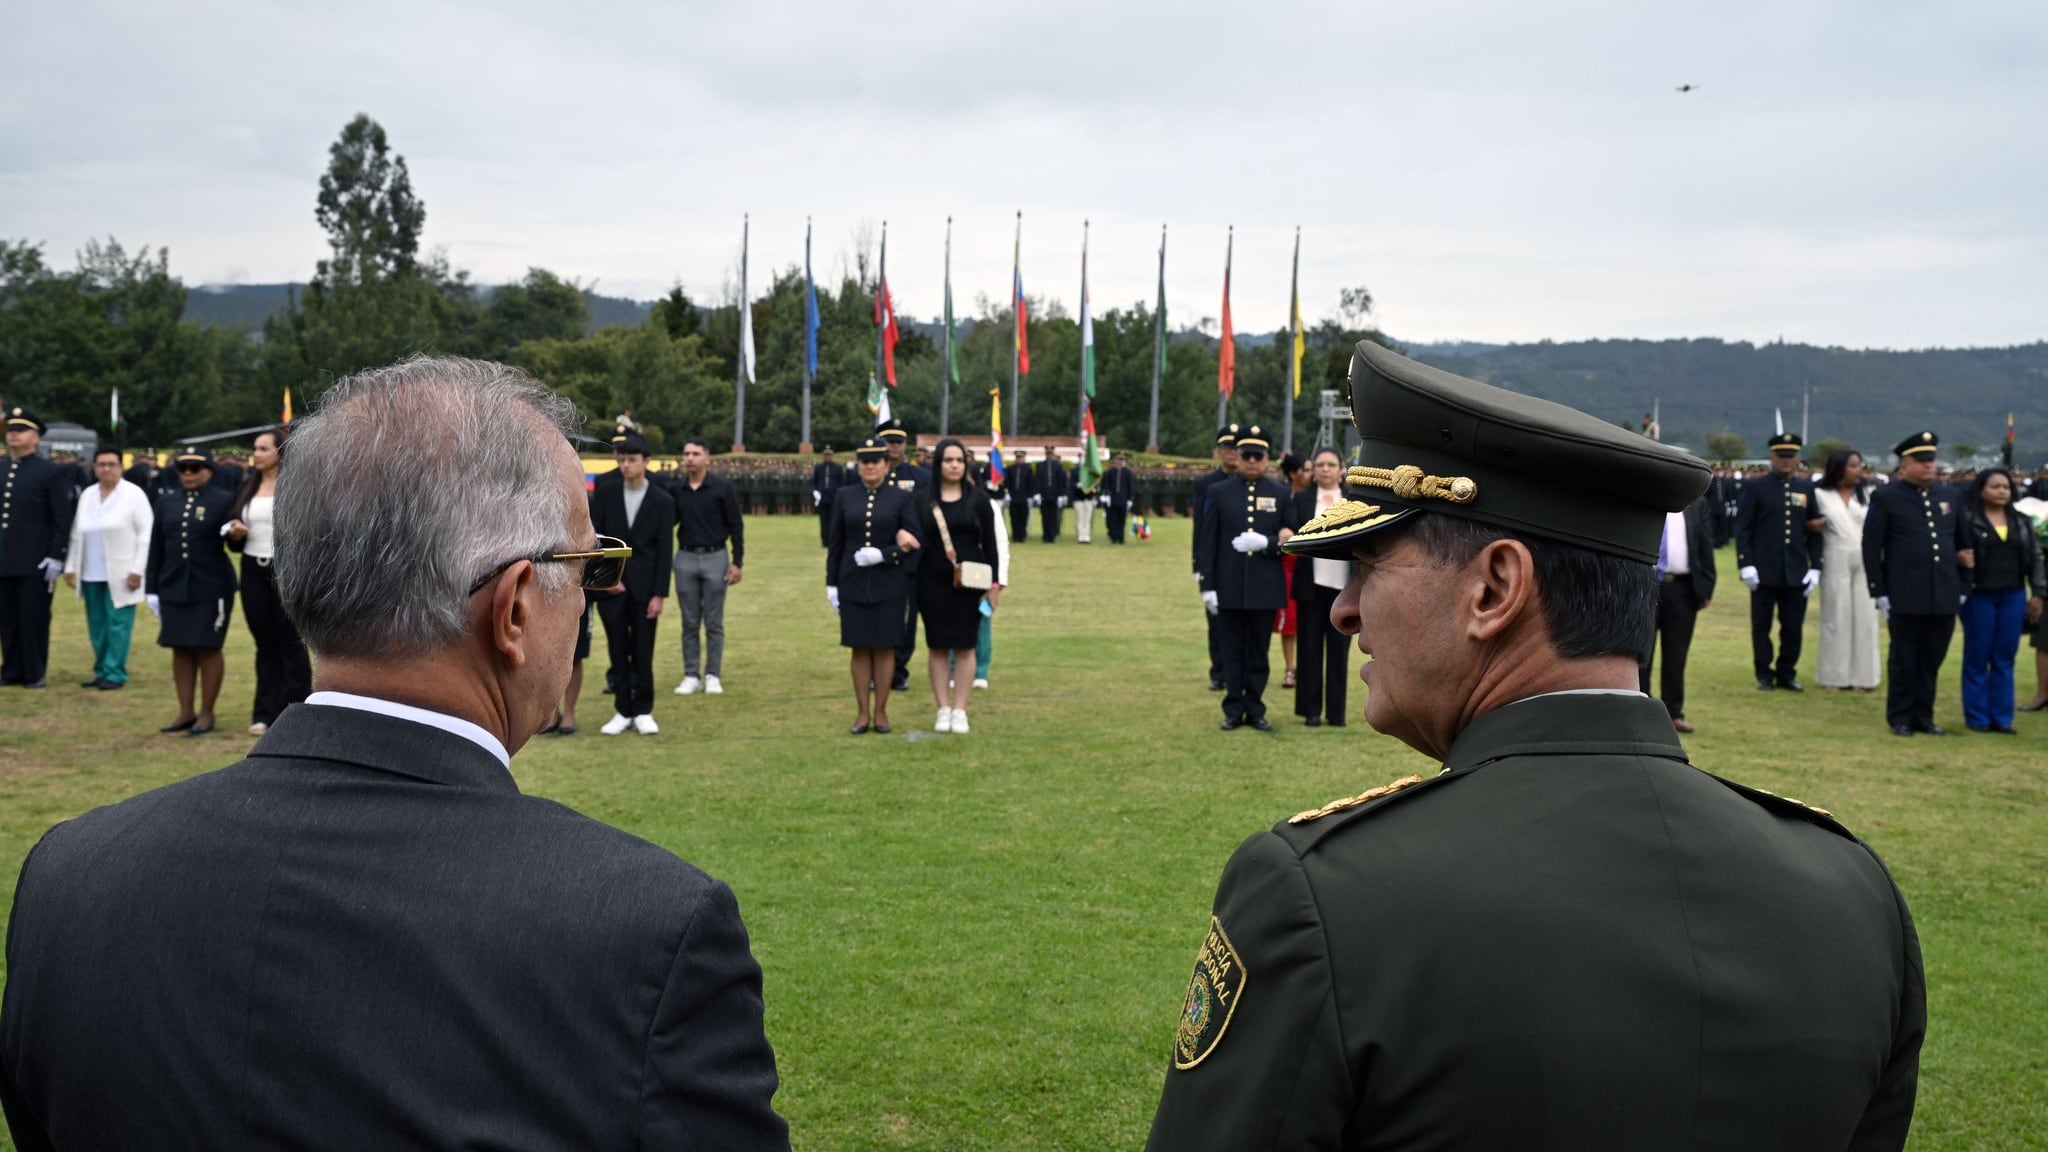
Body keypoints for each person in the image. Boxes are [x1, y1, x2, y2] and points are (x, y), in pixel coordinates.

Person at [1146, 343, 1923, 1152]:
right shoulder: (1852, 890)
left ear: (1494, 588)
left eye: (1369, 564)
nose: (1343, 612)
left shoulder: (1325, 898)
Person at [0, 357, 789, 1149]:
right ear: (514, 607)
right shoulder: (648, 932)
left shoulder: (72, 878)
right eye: (589, 569)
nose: (592, 596)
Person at [1864, 431, 1973, 737]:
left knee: (1932, 659)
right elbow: (1872, 546)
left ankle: (1924, 717)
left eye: (1931, 460)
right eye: (1921, 461)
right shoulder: (1887, 496)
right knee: (1904, 659)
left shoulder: (1950, 496)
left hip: (1944, 594)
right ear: (1904, 464)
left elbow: (1964, 545)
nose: (1928, 466)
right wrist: (1879, 591)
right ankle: (1899, 717)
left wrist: (1964, 586)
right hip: (1905, 594)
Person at [1196, 425, 1300, 731]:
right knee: (1231, 652)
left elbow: (1292, 537)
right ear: (1237, 457)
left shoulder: (1280, 494)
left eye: (1258, 455)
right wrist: (1207, 586)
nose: (1252, 460)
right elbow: (1208, 542)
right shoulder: (1218, 493)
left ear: (1267, 458)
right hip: (1227, 586)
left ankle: (1254, 707)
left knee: (1258, 653)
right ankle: (1233, 708)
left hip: (1264, 587)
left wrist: (1267, 543)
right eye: (1246, 455)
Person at [826, 437, 920, 734]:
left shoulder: (900, 498)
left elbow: (914, 540)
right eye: (864, 461)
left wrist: (886, 554)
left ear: (886, 464)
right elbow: (836, 543)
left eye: (876, 461)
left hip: (888, 582)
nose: (869, 467)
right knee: (859, 648)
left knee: (884, 648)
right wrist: (832, 584)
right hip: (852, 581)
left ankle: (881, 712)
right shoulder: (845, 495)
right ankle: (862, 713)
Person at [224, 427, 313, 734]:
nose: (256, 454)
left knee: (290, 642)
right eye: (255, 448)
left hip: (284, 570)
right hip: (252, 569)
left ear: (279, 452)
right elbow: (233, 530)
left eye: (263, 449)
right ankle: (264, 711)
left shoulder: (295, 487)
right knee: (265, 644)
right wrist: (236, 533)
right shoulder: (248, 486)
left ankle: (296, 710)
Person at [145, 447, 238, 737]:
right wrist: (152, 589)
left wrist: (237, 535)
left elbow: (234, 544)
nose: (187, 473)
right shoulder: (167, 502)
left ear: (209, 471)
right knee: (180, 647)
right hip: (173, 584)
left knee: (208, 647)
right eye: (182, 468)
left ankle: (207, 712)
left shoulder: (224, 500)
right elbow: (156, 547)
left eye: (194, 468)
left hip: (210, 586)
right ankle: (186, 710)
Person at [590, 428, 676, 735]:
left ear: (646, 462)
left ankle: (643, 709)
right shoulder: (605, 493)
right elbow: (595, 539)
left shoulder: (663, 501)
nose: (626, 465)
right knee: (617, 649)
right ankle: (622, 710)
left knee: (643, 649)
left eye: (633, 460)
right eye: (623, 459)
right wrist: (606, 579)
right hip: (613, 587)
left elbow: (665, 551)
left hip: (645, 588)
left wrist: (660, 594)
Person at [915, 439, 1000, 733]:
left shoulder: (979, 500)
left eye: (959, 461)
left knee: (966, 646)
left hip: (971, 583)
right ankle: (943, 708)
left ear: (966, 465)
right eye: (948, 460)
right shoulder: (921, 499)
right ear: (938, 464)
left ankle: (961, 709)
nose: (954, 465)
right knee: (937, 647)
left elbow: (990, 546)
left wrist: (995, 586)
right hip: (930, 582)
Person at [1957, 467, 2045, 733]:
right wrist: (1959, 558)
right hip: (1979, 595)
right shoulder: (1968, 520)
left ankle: (2002, 718)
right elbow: (1955, 551)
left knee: (2005, 656)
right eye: (1995, 486)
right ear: (1981, 489)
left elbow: (2035, 558)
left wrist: (2039, 593)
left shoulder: (2021, 521)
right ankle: (1978, 717)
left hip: (2013, 595)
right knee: (1978, 655)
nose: (2001, 491)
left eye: (2005, 487)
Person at [1734, 432, 1824, 691]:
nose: (1786, 461)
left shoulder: (1807, 489)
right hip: (1764, 570)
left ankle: (1787, 672)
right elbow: (1744, 529)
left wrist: (1816, 566)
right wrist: (1746, 563)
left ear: (1799, 458)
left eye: (1791, 456)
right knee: (1762, 626)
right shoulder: (1756, 487)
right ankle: (1764, 672)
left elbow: (1814, 530)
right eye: (1781, 456)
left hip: (1796, 570)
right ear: (1772, 457)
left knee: (1793, 627)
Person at [61, 445, 153, 690]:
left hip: (122, 572)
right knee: (97, 624)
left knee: (118, 624)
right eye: (101, 464)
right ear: (94, 467)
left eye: (112, 464)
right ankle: (101, 668)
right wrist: (70, 566)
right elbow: (75, 533)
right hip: (91, 570)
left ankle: (114, 673)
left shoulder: (134, 495)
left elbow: (145, 535)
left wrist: (138, 570)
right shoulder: (88, 495)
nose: (106, 469)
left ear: (121, 467)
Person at [0, 406, 74, 688]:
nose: (14, 435)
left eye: (21, 431)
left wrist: (56, 555)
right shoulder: (2, 468)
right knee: (6, 618)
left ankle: (34, 671)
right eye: (11, 430)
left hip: (35, 559)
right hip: (5, 556)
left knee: (33, 617)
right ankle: (11, 669)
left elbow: (61, 518)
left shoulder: (50, 472)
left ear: (36, 438)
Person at [1637, 490, 1719, 732]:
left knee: (1677, 654)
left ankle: (1673, 713)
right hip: (1647, 584)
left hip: (1682, 588)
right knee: (1642, 653)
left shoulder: (1695, 503)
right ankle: (1641, 710)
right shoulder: (1646, 500)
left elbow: (1705, 542)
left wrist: (1706, 586)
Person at [669, 437, 744, 697]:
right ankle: (691, 674)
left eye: (695, 453)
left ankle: (713, 674)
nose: (689, 458)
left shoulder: (722, 488)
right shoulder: (677, 490)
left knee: (714, 622)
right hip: (686, 558)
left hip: (715, 557)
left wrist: (737, 562)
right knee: (689, 622)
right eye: (686, 453)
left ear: (707, 458)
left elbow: (736, 526)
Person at [1290, 447, 1351, 726]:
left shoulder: (1354, 500)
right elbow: (1290, 531)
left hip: (1344, 586)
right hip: (1310, 585)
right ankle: (1310, 711)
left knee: (1339, 653)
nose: (1325, 469)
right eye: (1320, 464)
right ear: (1313, 470)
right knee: (1309, 649)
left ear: (1341, 469)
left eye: (1331, 464)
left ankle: (1336, 713)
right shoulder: (1301, 500)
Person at [1816, 449, 1883, 691]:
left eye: (1860, 466)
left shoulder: (1869, 494)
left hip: (1865, 557)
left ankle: (1865, 677)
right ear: (1839, 468)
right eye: (1853, 466)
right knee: (1837, 618)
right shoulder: (1821, 495)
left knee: (1866, 618)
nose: (1859, 470)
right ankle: (1835, 676)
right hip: (1836, 556)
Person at [1192, 426, 1240, 690]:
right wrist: (1198, 564)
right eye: (1226, 449)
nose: (1231, 454)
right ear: (1218, 452)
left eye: (1235, 449)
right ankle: (1218, 671)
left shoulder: (1249, 484)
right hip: (1214, 561)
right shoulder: (1206, 484)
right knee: (1215, 620)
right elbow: (1201, 527)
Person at [811, 446, 846, 547]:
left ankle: (833, 540)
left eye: (829, 455)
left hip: (834, 498)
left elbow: (842, 483)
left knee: (833, 521)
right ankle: (824, 540)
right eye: (826, 455)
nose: (827, 457)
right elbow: (815, 482)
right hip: (822, 499)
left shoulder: (838, 468)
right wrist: (815, 492)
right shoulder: (819, 468)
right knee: (823, 521)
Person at [1101, 451, 1137, 544]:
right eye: (1118, 460)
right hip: (1112, 500)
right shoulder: (1109, 472)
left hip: (1123, 500)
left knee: (1121, 520)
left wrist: (1130, 499)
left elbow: (1131, 487)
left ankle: (1120, 538)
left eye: (1122, 460)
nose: (1120, 462)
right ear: (1115, 461)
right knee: (1111, 519)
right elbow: (1105, 485)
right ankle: (1113, 536)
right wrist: (1105, 495)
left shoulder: (1128, 473)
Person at [1008, 447, 1034, 542]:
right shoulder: (1010, 469)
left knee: (1023, 517)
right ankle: (1015, 536)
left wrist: (1030, 496)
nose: (1019, 459)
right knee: (1014, 518)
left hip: (1024, 497)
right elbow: (1008, 482)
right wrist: (1007, 493)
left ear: (1024, 458)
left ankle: (1022, 535)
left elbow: (1031, 483)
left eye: (1021, 457)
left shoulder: (1028, 469)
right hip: (1013, 497)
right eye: (1017, 457)